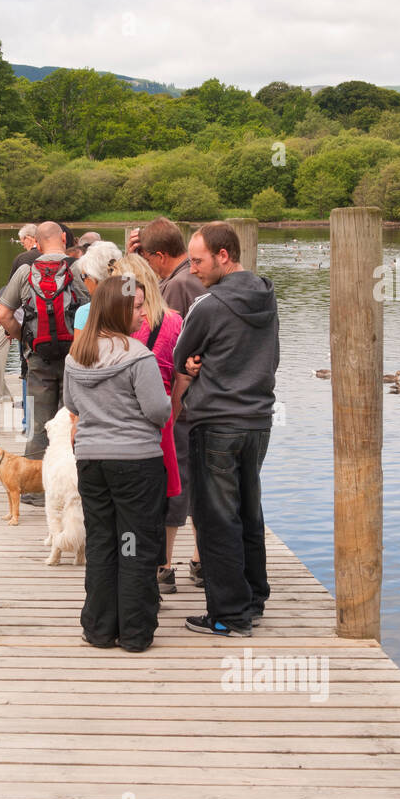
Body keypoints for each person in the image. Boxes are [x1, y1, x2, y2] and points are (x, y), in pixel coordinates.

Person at [172, 221, 279, 638]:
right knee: (249, 512)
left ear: (223, 255)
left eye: (197, 260)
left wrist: (197, 364)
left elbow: (182, 358)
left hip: (216, 422)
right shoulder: (267, 297)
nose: (192, 268)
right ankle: (253, 599)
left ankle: (228, 615)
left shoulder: (208, 304)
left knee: (217, 519)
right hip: (258, 421)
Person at [63, 275, 170, 652]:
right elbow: (158, 411)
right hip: (136, 462)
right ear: (120, 309)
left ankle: (99, 628)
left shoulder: (75, 356)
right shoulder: (138, 356)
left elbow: (72, 406)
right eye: (138, 306)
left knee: (104, 542)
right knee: (134, 544)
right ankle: (135, 631)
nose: (144, 315)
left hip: (92, 461)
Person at [0, 221, 90, 504]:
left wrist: (22, 337)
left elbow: (3, 314)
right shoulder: (78, 268)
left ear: (36, 243)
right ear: (63, 238)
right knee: (70, 422)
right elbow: (94, 309)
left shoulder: (26, 271)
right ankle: (70, 490)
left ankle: (34, 492)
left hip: (37, 358)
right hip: (74, 357)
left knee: (39, 425)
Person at [112, 254, 186, 595]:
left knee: (128, 502)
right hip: (164, 418)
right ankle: (164, 564)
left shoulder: (117, 324)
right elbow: (181, 370)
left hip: (123, 421)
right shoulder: (174, 322)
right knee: (165, 493)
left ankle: (129, 563)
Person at [127, 217, 207, 317]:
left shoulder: (177, 285)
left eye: (147, 260)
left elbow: (129, 308)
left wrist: (128, 270)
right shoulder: (193, 271)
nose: (148, 266)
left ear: (161, 256)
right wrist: (132, 263)